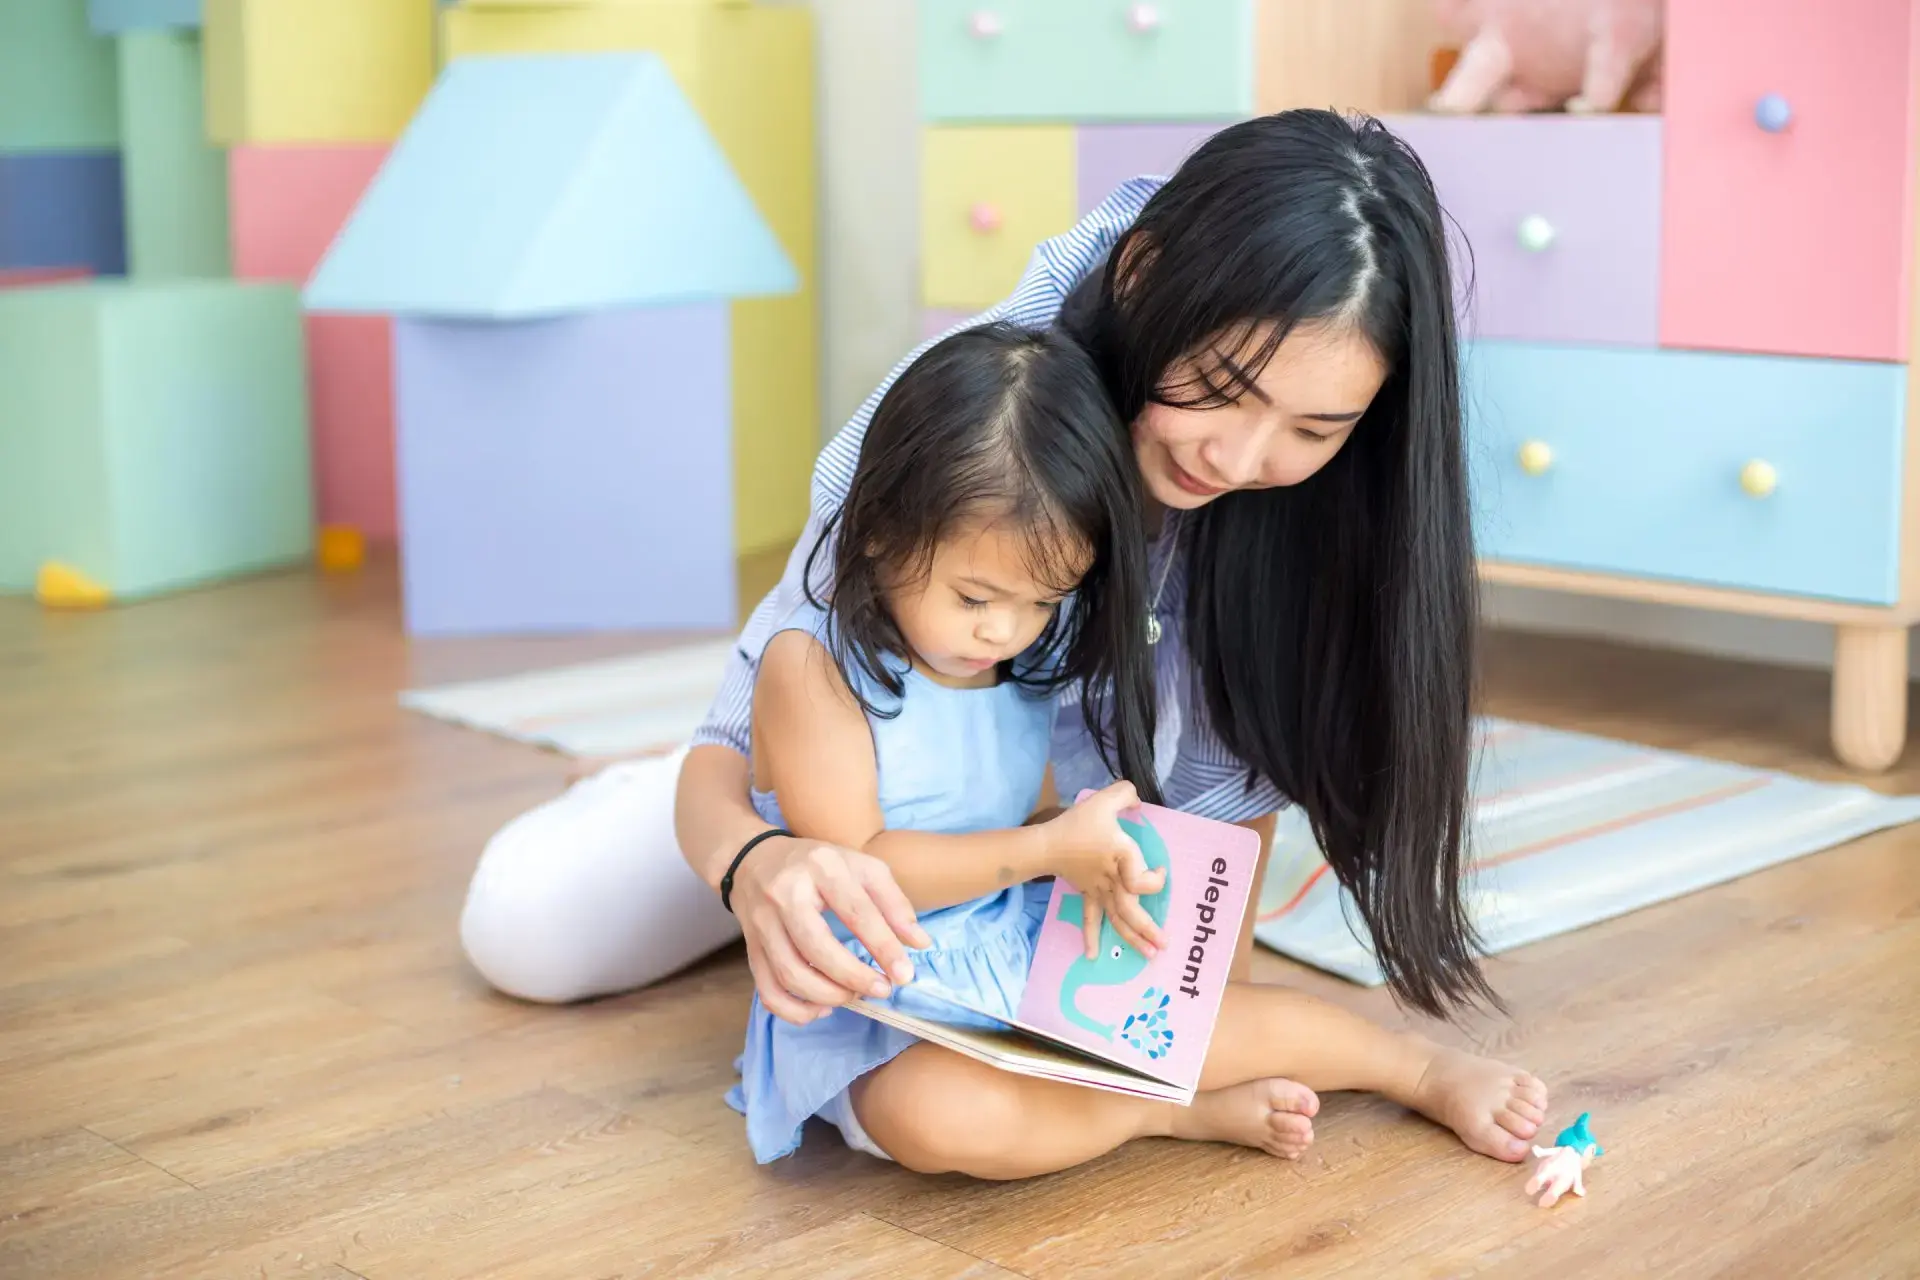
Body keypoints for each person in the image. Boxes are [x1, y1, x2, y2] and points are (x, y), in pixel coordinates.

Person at [459, 108, 1541, 1166]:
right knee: (526, 927)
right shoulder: (967, 436)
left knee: (1159, 1025)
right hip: (837, 802)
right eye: (1219, 389)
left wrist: (1167, 1002)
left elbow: (1215, 843)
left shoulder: (1317, 509)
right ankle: (649, 796)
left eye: (1314, 428)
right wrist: (755, 858)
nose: (1242, 454)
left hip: (1027, 860)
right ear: (1141, 279)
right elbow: (764, 709)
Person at [731, 320, 1547, 1175]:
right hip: (880, 991)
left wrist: (1088, 847)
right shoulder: (812, 665)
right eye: (975, 596)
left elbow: (1014, 807)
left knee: (1195, 1007)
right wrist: (1045, 847)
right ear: (878, 529)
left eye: (1042, 603)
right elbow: (859, 872)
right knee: (938, 1117)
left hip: (1000, 927)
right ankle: (1162, 1113)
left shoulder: (1012, 656)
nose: (1004, 631)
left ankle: (1413, 1065)